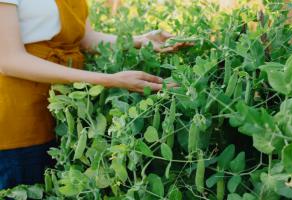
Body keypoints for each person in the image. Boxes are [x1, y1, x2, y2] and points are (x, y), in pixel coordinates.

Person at [0, 0, 184, 190]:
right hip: (18, 112)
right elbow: (9, 60)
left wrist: (140, 40)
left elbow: (85, 39)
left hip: (65, 106)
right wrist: (108, 80)